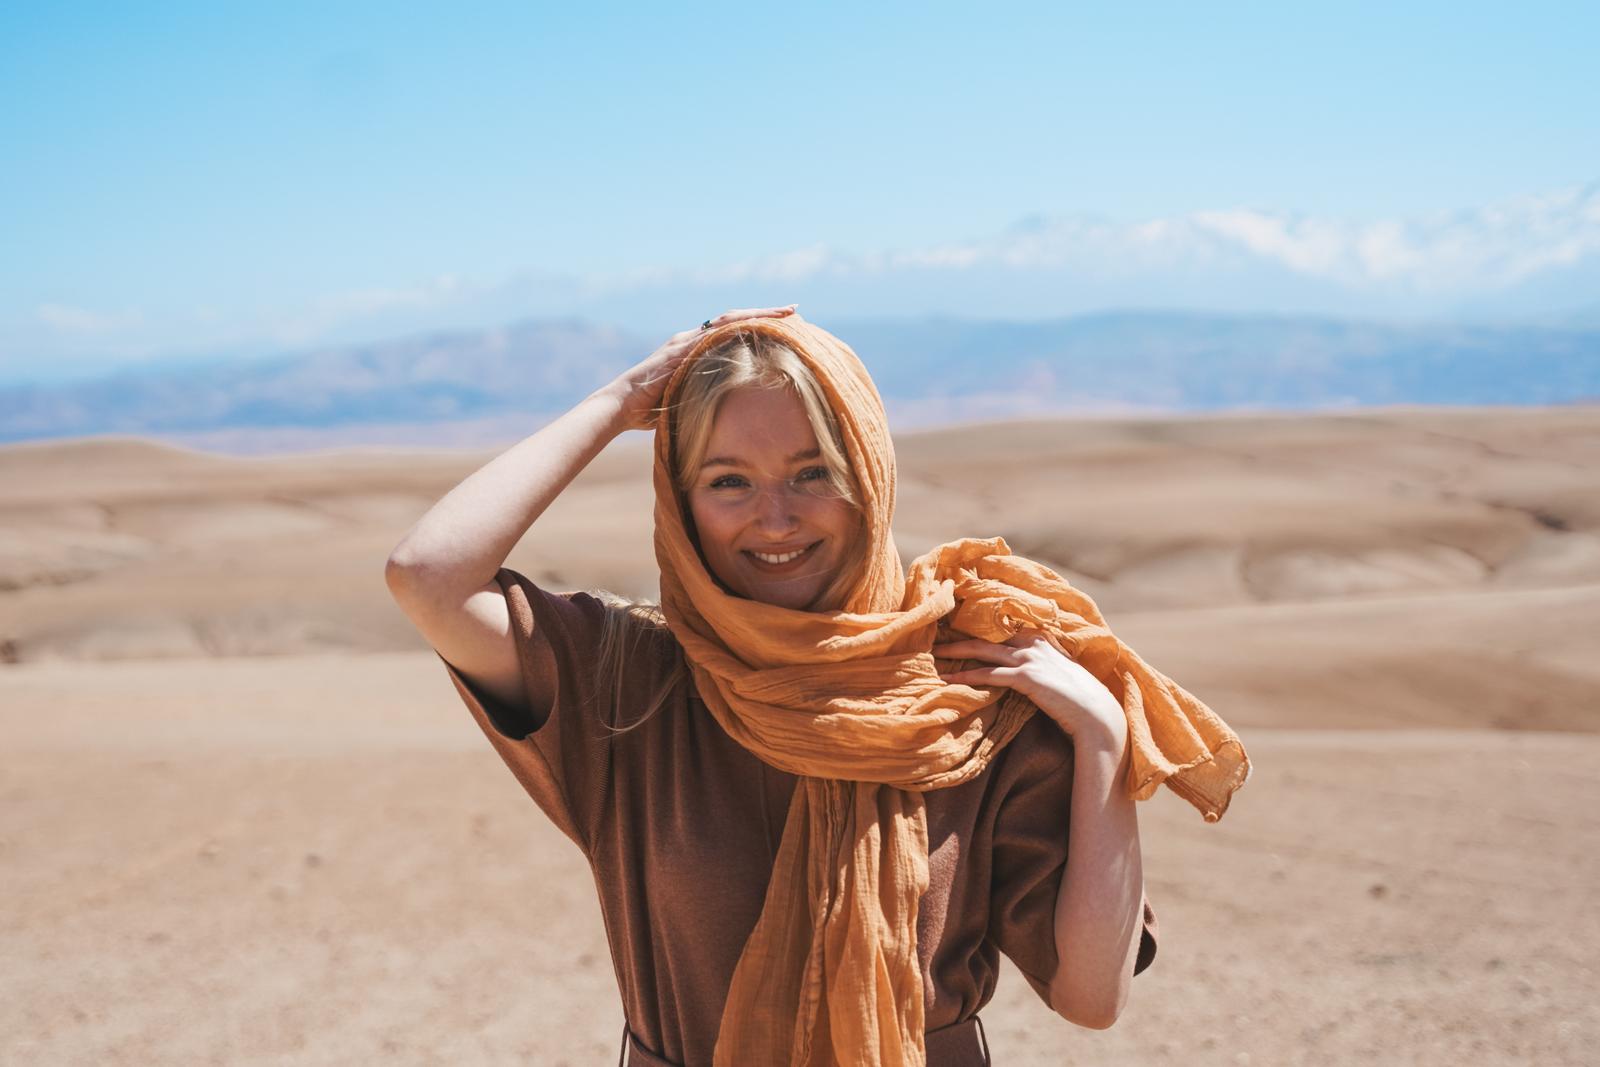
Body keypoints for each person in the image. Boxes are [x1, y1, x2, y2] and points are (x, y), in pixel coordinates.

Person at [385, 305, 1173, 1067]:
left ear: (868, 474)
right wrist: (619, 402)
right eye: (728, 480)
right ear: (681, 501)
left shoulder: (970, 690)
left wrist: (1103, 738)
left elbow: (1091, 996)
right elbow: (427, 575)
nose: (775, 518)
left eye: (813, 471)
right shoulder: (629, 680)